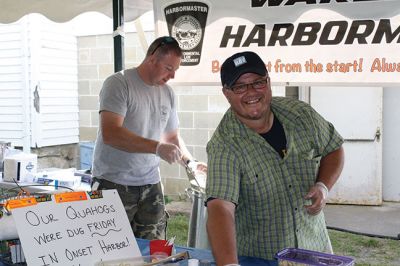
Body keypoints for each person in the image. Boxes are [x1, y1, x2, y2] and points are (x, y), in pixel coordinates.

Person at [205, 51, 345, 265]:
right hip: (262, 258)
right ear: (226, 93)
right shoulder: (224, 144)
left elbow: (333, 148)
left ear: (268, 82)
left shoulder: (301, 115)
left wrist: (323, 185)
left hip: (315, 250)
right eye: (240, 86)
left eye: (258, 83)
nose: (251, 92)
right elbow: (220, 208)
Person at [91, 36, 206, 240]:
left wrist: (190, 162)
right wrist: (156, 147)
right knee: (110, 249)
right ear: (152, 59)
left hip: (151, 183)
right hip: (113, 183)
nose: (172, 76)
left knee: (154, 252)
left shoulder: (168, 93)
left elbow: (171, 138)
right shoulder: (119, 83)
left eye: (175, 70)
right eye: (168, 68)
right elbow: (111, 133)